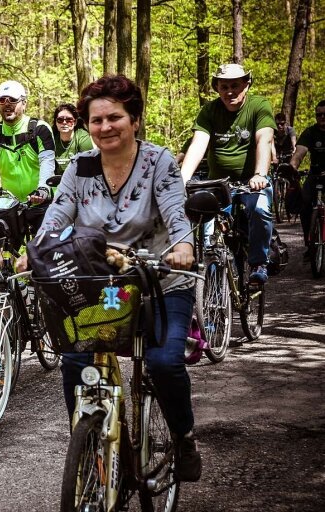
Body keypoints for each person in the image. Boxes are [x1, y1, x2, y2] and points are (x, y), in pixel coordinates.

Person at [17, 74, 202, 482]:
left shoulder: (159, 161)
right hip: (100, 284)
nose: (104, 127)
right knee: (76, 358)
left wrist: (183, 247)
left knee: (164, 362)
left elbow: (175, 212)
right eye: (95, 120)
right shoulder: (80, 167)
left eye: (114, 117)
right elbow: (58, 214)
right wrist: (36, 253)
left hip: (160, 280)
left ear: (134, 119)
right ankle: (87, 444)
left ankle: (183, 436)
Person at [179, 63, 275, 284]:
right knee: (206, 224)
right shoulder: (209, 111)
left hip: (252, 182)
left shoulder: (259, 106)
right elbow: (198, 145)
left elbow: (264, 139)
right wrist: (182, 180)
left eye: (235, 85)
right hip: (218, 183)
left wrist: (260, 174)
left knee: (259, 209)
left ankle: (259, 261)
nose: (229, 91)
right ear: (217, 88)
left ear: (246, 85)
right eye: (224, 86)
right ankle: (211, 276)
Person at [0, 80, 56, 209]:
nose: (7, 104)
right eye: (2, 100)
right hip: (10, 205)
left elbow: (47, 161)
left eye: (12, 100)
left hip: (41, 203)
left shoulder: (40, 129)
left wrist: (43, 189)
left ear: (24, 103)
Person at [288, 100, 325, 258]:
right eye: (319, 114)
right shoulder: (310, 132)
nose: (322, 117)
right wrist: (291, 169)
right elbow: (299, 153)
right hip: (315, 174)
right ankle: (310, 243)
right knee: (305, 204)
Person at [51, 103, 93, 174]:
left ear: (75, 122)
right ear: (56, 122)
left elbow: (88, 165)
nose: (64, 123)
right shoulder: (51, 138)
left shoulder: (82, 137)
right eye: (60, 120)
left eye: (69, 120)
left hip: (78, 179)